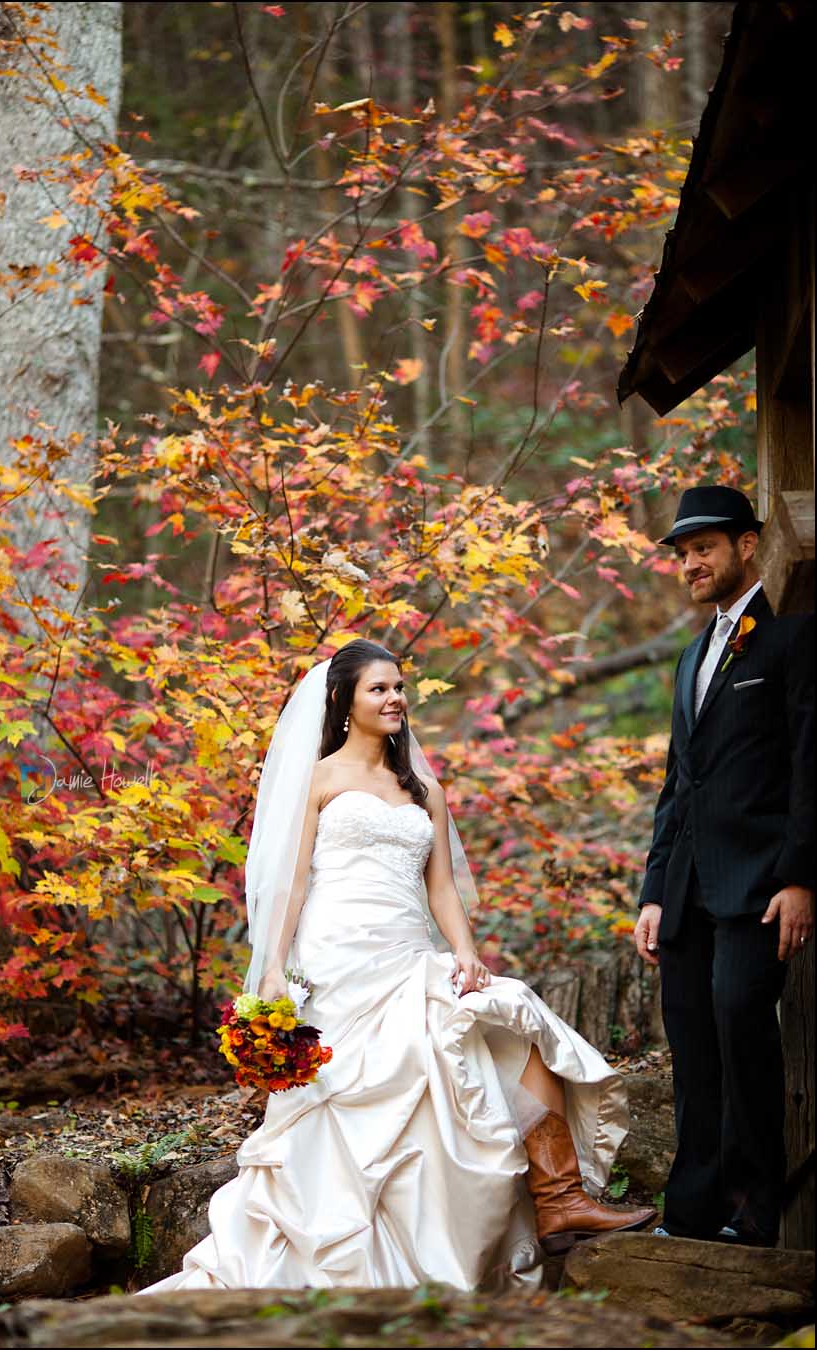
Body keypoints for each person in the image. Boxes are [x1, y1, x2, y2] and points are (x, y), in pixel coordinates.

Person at [139, 639, 654, 1295]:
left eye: (399, 687)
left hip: (410, 952)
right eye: (379, 688)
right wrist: (271, 969)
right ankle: (368, 1254)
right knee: (358, 1106)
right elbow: (291, 883)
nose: (395, 699)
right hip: (336, 958)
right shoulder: (319, 779)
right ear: (343, 701)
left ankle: (560, 1200)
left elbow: (441, 887)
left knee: (511, 1020)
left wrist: (465, 951)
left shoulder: (423, 788)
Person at [634, 484, 814, 1247]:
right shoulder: (689, 658)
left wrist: (801, 877)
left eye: (703, 547)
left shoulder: (793, 641)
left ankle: (756, 1211)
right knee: (693, 1044)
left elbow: (812, 764)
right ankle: (692, 1212)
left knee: (743, 1025)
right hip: (684, 892)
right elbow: (679, 785)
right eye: (682, 552)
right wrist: (652, 892)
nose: (690, 563)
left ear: (748, 545)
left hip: (758, 885)